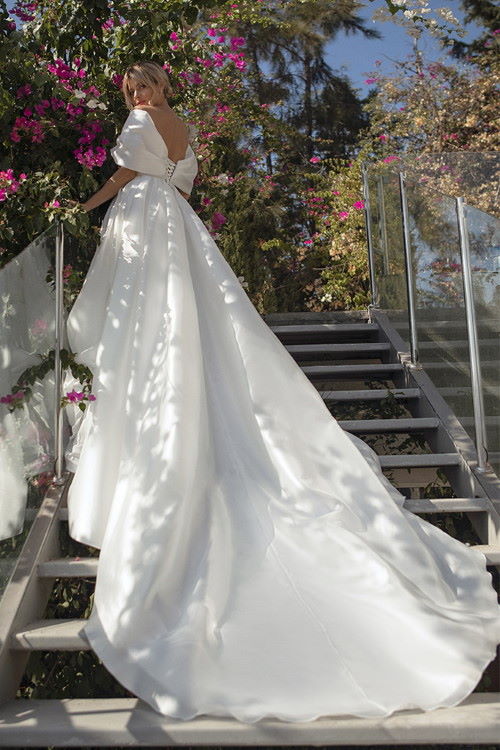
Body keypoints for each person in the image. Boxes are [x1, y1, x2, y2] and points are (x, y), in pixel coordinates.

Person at [63, 60, 500, 724]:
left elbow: (126, 173)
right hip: (176, 221)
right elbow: (184, 183)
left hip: (142, 218)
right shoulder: (186, 129)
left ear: (159, 86)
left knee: (153, 323)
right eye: (132, 92)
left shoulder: (144, 123)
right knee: (185, 321)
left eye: (145, 87)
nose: (140, 97)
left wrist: (86, 206)